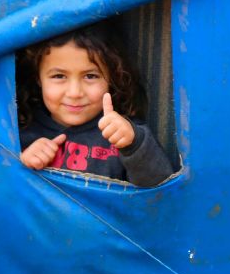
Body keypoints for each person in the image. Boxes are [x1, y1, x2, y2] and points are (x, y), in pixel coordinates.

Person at [16, 24, 174, 187]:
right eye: (59, 76)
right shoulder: (18, 132)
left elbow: (161, 193)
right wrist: (23, 165)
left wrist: (133, 145)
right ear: (38, 78)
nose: (75, 92)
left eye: (90, 76)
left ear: (112, 78)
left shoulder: (121, 133)